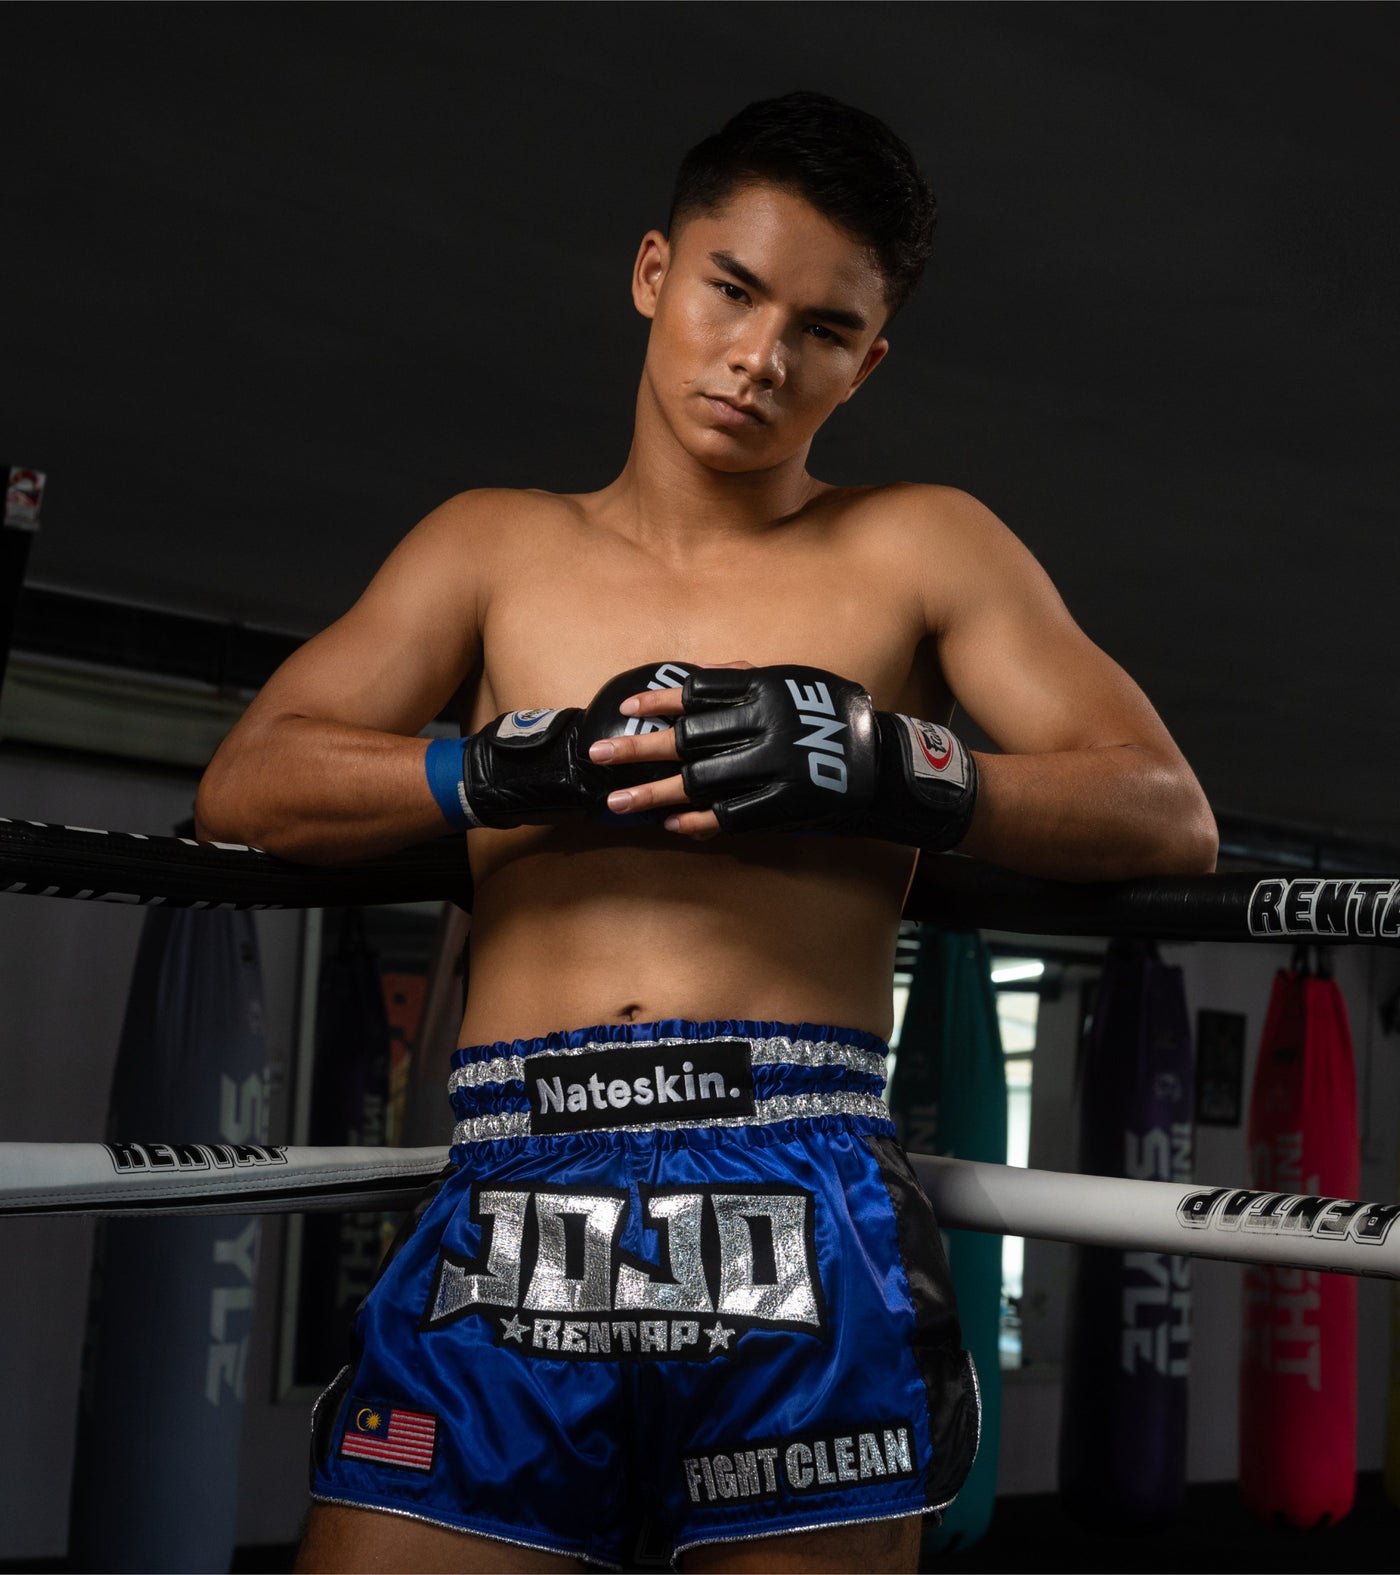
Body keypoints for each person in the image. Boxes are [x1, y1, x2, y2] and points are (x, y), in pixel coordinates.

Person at [197, 91, 1216, 1574]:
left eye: (823, 329)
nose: (760, 357)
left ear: (868, 362)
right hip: (523, 1193)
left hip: (798, 1194)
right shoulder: (492, 545)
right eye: (734, 291)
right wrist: (509, 765)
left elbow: (1166, 812)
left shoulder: (921, 544)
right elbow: (250, 782)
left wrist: (893, 767)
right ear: (654, 271)